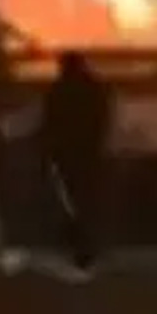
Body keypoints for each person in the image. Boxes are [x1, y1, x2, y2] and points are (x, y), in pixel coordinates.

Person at [42, 51, 113, 274]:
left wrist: (51, 149)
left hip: (67, 153)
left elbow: (50, 120)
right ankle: (88, 244)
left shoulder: (58, 89)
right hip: (89, 151)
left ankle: (78, 242)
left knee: (71, 198)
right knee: (89, 199)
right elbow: (103, 118)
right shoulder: (95, 88)